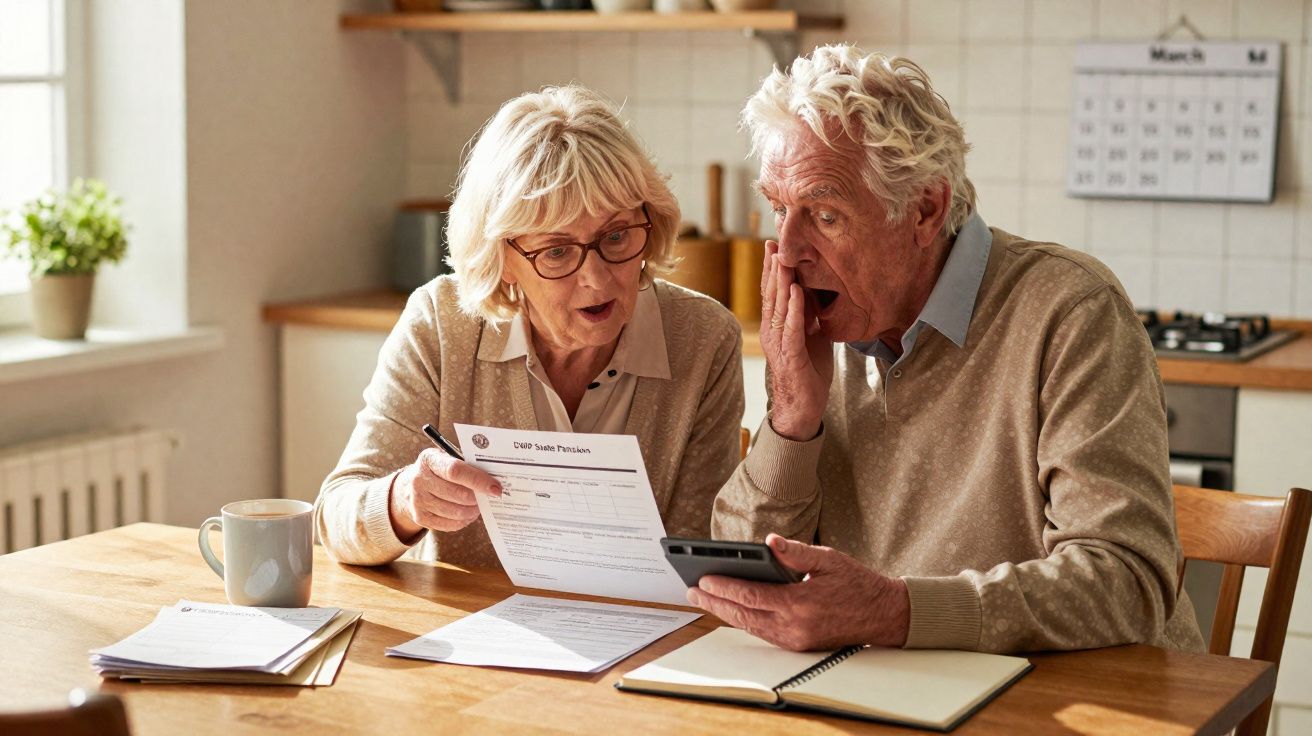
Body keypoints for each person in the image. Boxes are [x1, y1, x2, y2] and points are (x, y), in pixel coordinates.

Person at [690, 45, 1205, 655]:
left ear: (925, 210)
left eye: (825, 215)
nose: (789, 251)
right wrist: (791, 423)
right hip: (890, 692)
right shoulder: (818, 331)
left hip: (1080, 700)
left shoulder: (1069, 310)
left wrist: (895, 612)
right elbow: (743, 585)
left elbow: (1126, 584)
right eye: (779, 210)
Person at [316, 85, 744, 568]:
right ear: (503, 260)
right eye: (557, 251)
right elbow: (335, 520)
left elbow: (703, 556)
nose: (597, 278)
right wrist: (405, 501)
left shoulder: (703, 338)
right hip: (474, 632)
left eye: (618, 236)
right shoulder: (442, 323)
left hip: (641, 632)